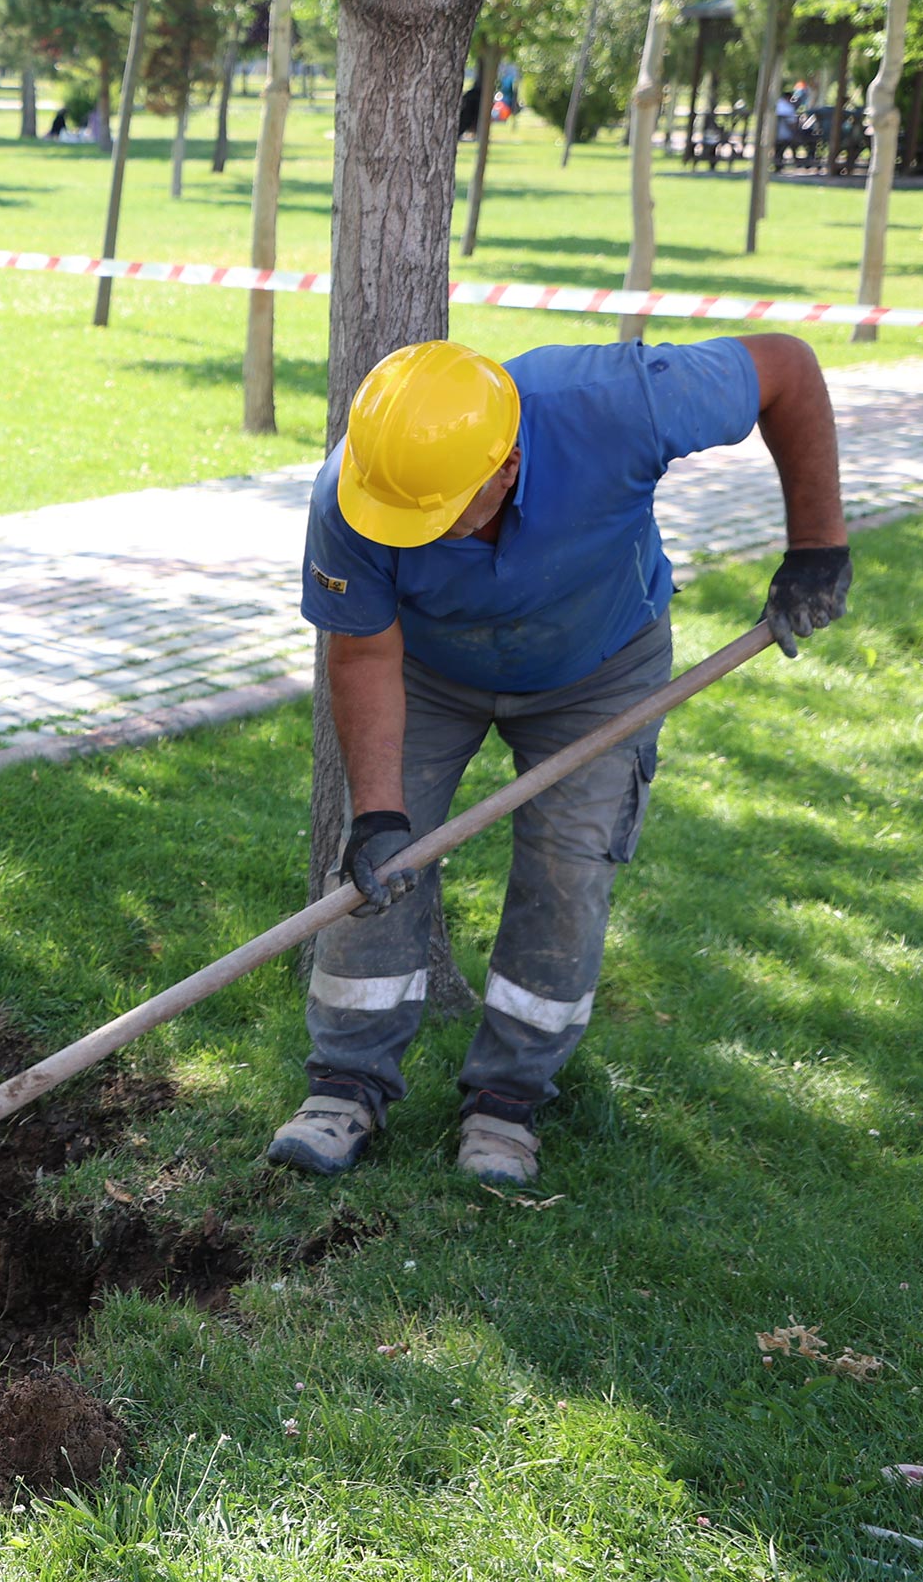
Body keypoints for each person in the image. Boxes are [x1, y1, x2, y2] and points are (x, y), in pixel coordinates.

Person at [267, 335, 850, 1186]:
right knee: (378, 864)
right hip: (427, 672)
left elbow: (788, 370)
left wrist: (817, 547)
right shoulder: (359, 490)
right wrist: (382, 813)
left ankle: (506, 1101)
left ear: (505, 464)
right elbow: (360, 656)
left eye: (432, 513)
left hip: (599, 667)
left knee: (568, 870)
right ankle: (345, 1084)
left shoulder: (617, 403)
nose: (404, 530)